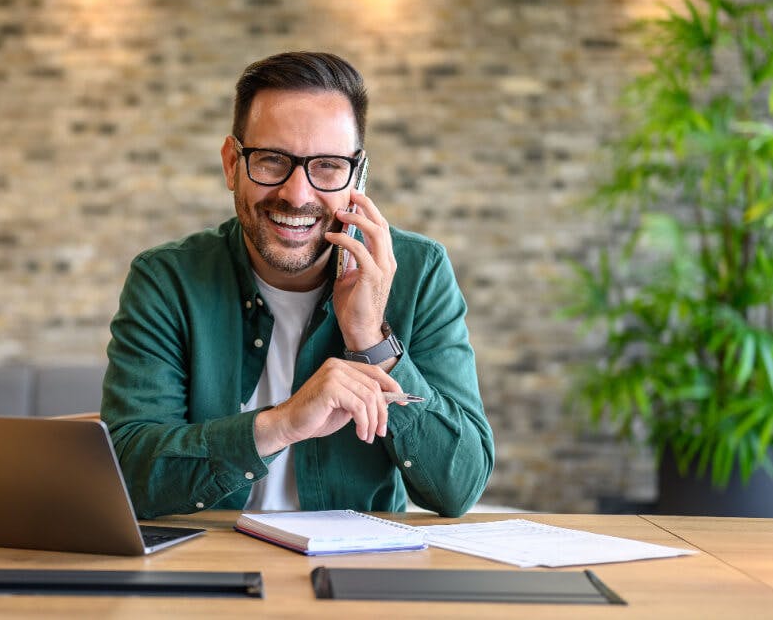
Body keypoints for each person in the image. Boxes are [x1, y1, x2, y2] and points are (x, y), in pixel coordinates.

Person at [101, 51, 494, 519]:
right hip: (207, 564)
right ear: (232, 164)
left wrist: (371, 341)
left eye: (327, 166)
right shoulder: (167, 279)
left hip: (358, 571)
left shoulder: (419, 271)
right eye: (271, 160)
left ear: (358, 175)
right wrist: (282, 424)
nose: (297, 193)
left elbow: (459, 487)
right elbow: (126, 472)